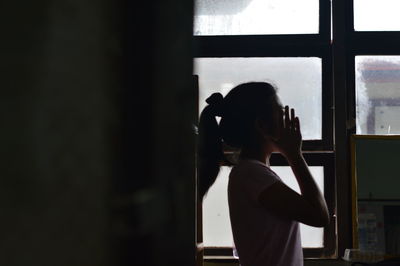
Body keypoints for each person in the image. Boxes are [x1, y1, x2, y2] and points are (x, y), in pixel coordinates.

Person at [198, 82, 330, 266]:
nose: (286, 118)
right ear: (261, 125)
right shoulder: (251, 173)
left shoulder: (253, 172)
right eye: (281, 112)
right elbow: (319, 216)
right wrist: (294, 155)